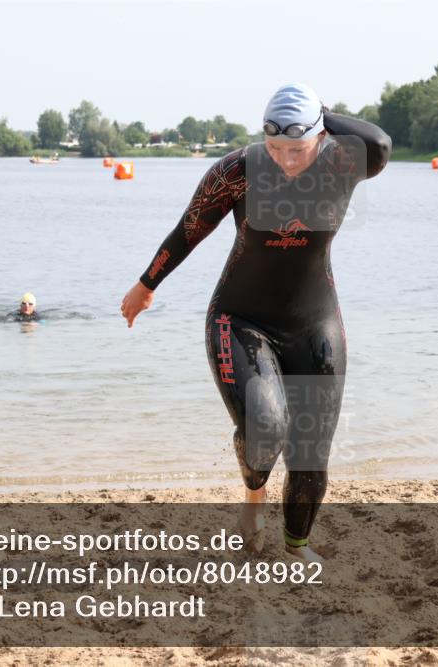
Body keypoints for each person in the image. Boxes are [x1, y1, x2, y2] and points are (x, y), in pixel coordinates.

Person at [121, 83, 391, 563]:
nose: (285, 159)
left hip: (314, 324)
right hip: (240, 318)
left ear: (321, 136)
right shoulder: (238, 170)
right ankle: (253, 494)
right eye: (275, 147)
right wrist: (146, 284)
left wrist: (323, 112)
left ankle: (296, 546)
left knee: (310, 458)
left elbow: (380, 143)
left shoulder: (343, 162)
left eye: (297, 148)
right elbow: (189, 229)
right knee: (266, 428)